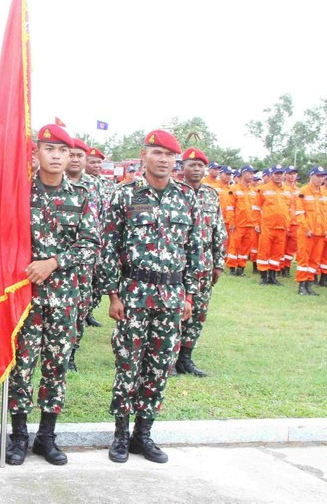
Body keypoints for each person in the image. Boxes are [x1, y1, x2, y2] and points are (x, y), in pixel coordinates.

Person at [98, 130, 203, 464]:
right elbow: (109, 247)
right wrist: (113, 295)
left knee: (159, 366)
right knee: (127, 364)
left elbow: (195, 250)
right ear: (144, 155)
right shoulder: (125, 194)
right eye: (157, 153)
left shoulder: (187, 196)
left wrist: (189, 296)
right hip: (133, 294)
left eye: (169, 156)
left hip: (172, 295)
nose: (163, 160)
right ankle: (120, 435)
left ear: (176, 161)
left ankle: (144, 434)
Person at [5, 125, 100, 467]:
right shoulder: (19, 194)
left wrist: (54, 262)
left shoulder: (82, 195)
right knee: (21, 367)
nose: (57, 155)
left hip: (64, 297)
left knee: (55, 366)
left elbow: (91, 244)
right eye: (49, 149)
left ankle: (46, 436)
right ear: (36, 153)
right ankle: (18, 436)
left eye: (63, 150)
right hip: (25, 298)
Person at [176, 148, 226, 377]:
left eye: (200, 165)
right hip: (178, 262)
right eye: (191, 165)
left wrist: (218, 263)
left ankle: (185, 358)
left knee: (198, 312)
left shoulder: (211, 194)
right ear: (182, 167)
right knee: (174, 310)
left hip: (204, 264)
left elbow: (219, 230)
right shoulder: (175, 192)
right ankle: (167, 358)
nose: (196, 169)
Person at [64, 136, 101, 372]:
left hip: (85, 263)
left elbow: (104, 224)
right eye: (72, 154)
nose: (75, 159)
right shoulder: (51, 182)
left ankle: (71, 354)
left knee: (80, 308)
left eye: (80, 155)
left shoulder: (97, 186)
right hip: (55, 263)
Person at [85, 146, 116, 329]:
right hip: (87, 238)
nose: (96, 165)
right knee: (87, 277)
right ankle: (83, 310)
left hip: (104, 238)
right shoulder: (81, 183)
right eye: (92, 161)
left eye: (99, 162)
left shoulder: (108, 184)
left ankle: (90, 310)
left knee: (99, 277)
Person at [294, 167, 327, 295]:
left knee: (314, 260)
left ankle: (309, 284)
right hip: (307, 233)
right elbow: (299, 213)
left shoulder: (324, 194)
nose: (321, 179)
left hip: (320, 233)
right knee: (304, 259)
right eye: (318, 176)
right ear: (311, 176)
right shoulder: (303, 191)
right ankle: (301, 286)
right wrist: (306, 228)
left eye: (322, 176)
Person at [254, 164, 291, 286]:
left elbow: (291, 209)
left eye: (281, 174)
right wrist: (257, 223)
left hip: (282, 227)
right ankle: (264, 277)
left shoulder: (288, 191)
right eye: (276, 174)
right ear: (271, 175)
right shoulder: (263, 189)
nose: (279, 176)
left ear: (284, 175)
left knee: (277, 253)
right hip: (268, 226)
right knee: (264, 251)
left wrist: (289, 223)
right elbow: (256, 208)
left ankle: (273, 276)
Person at [225, 166, 257, 276]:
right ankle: (232, 268)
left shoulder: (253, 190)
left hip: (250, 224)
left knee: (245, 248)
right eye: (250, 173)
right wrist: (231, 222)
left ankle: (241, 268)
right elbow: (230, 207)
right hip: (238, 224)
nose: (252, 175)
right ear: (243, 174)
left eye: (253, 173)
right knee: (234, 246)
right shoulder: (234, 189)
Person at [281, 166, 300, 277]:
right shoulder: (282, 189)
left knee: (291, 248)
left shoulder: (299, 191)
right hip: (285, 222)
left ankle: (287, 268)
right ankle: (279, 267)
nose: (292, 175)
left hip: (296, 223)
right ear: (285, 175)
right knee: (281, 246)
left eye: (294, 173)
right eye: (290, 173)